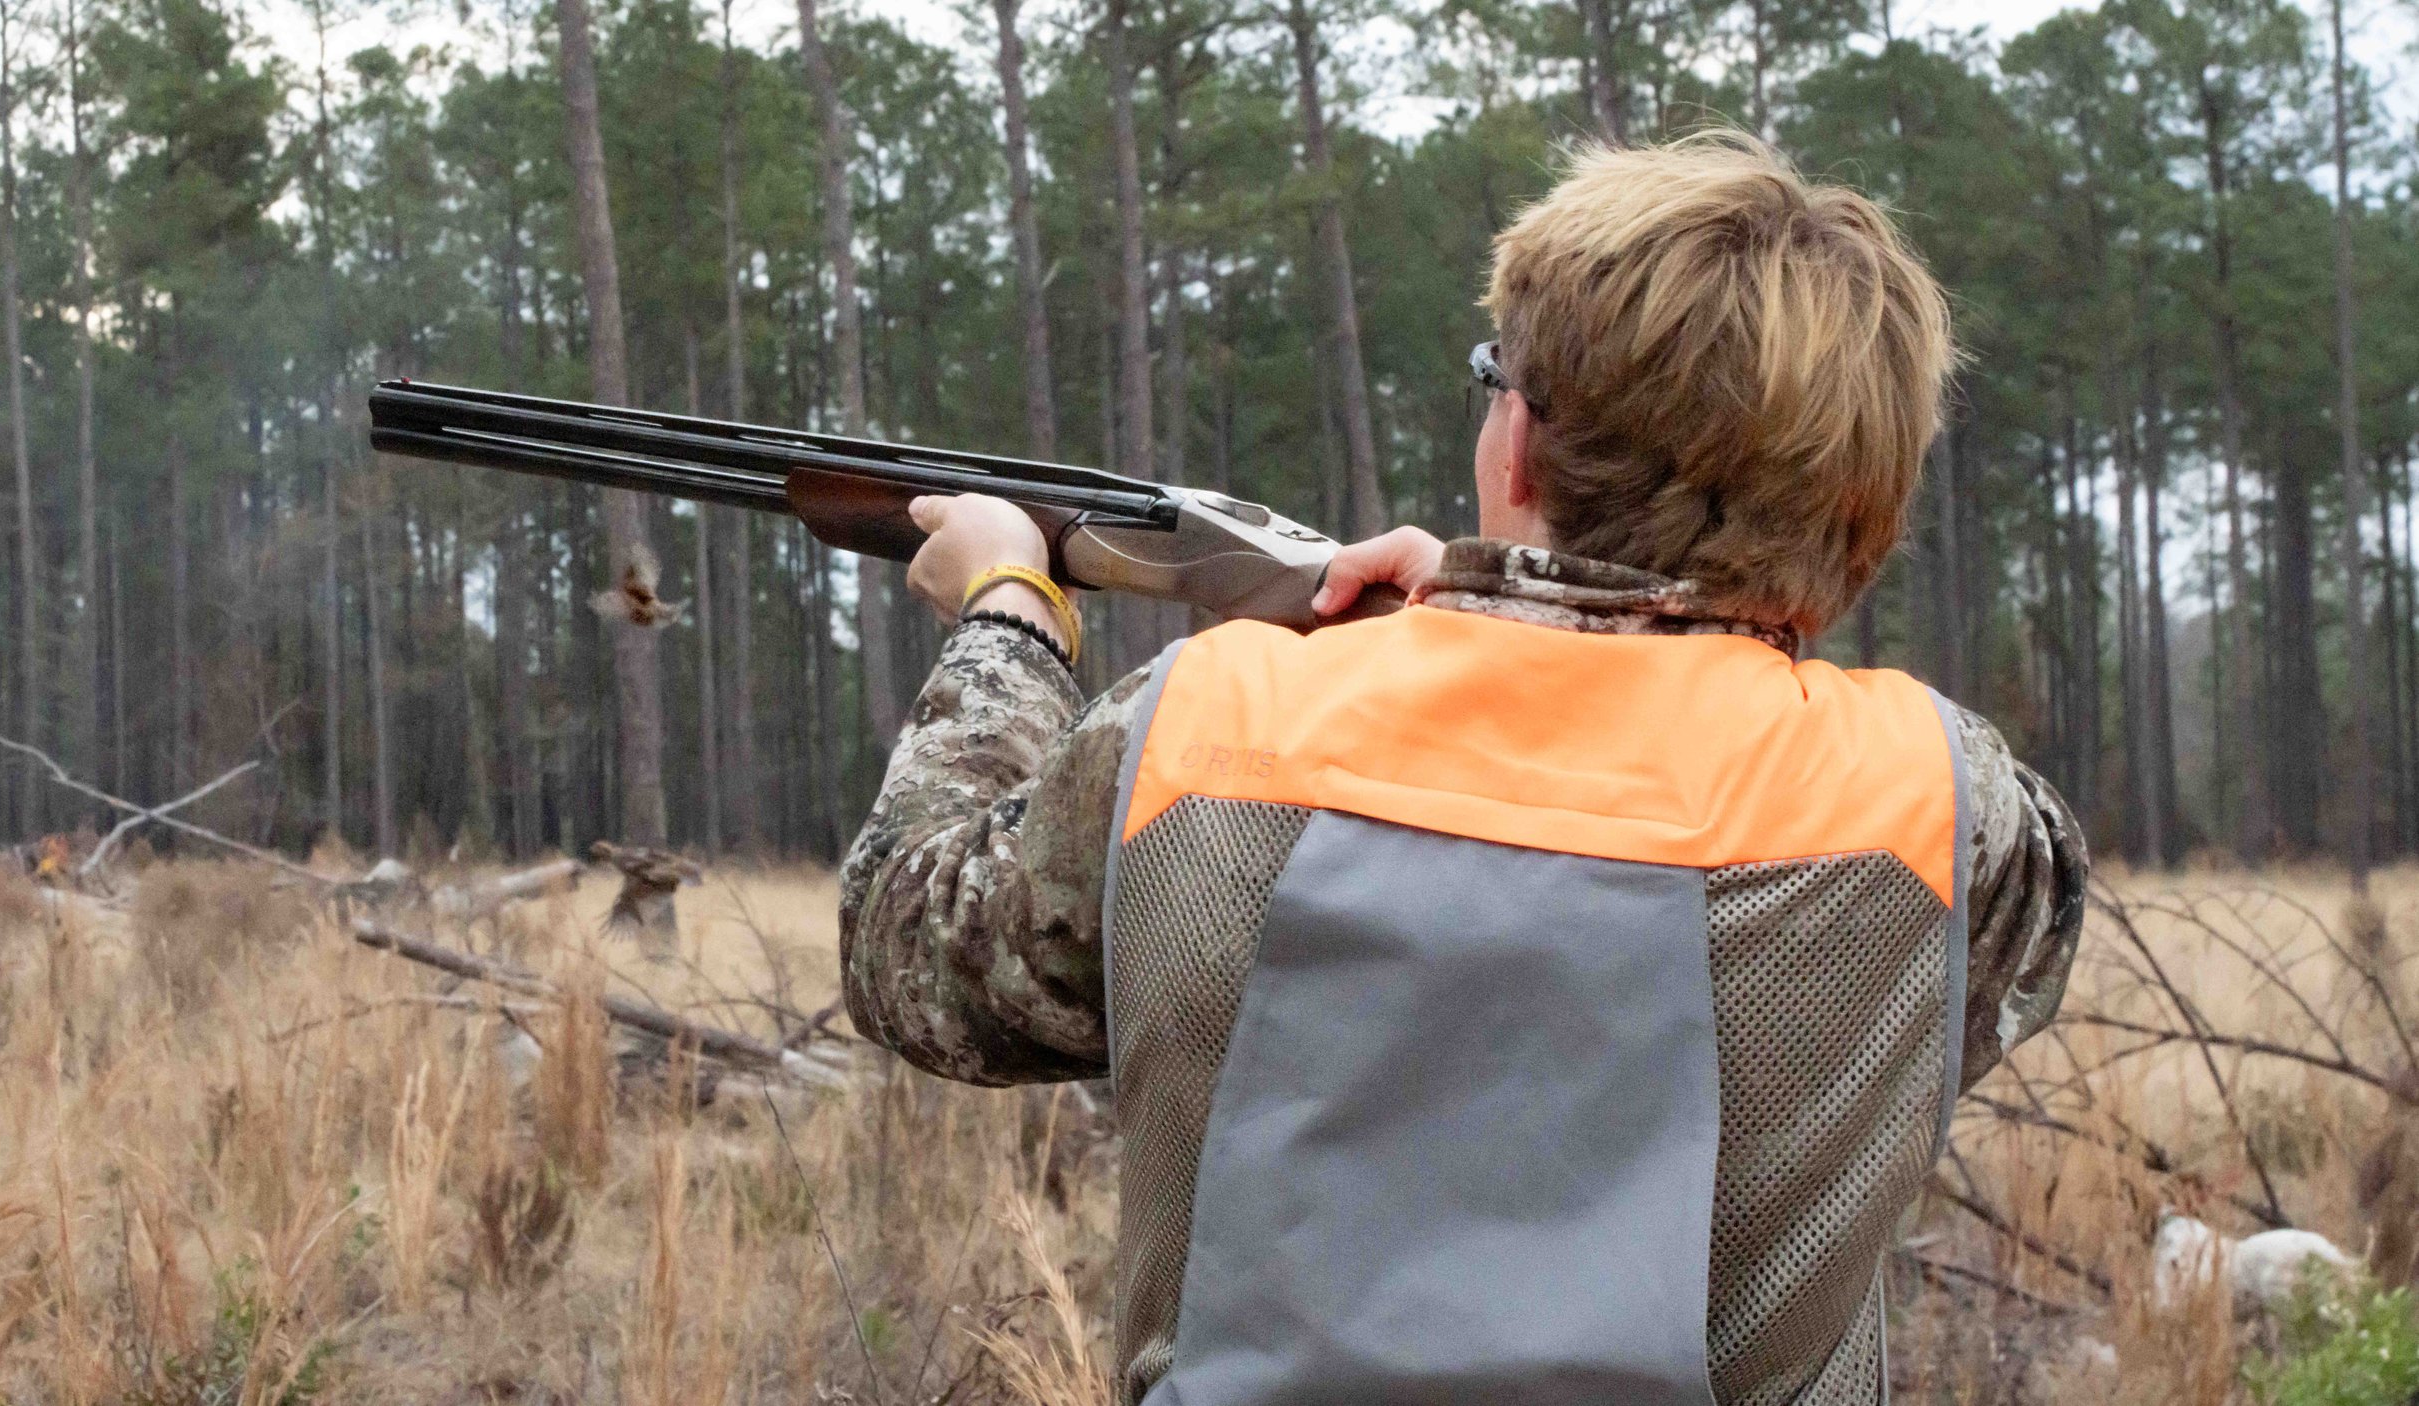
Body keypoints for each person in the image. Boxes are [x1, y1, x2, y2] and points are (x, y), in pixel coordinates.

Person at [839, 132, 2086, 1406]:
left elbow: (912, 956)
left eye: (1500, 379)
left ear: (1522, 452)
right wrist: (1508, 619)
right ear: (1862, 509)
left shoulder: (1205, 726)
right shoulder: (1946, 809)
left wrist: (1006, 618)